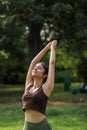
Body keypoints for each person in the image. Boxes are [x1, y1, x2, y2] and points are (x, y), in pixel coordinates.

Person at [22, 40, 58, 130]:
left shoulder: (46, 88)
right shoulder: (28, 86)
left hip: (42, 127)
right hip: (27, 126)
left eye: (39, 68)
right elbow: (33, 62)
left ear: (45, 75)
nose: (35, 69)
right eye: (35, 68)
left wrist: (53, 49)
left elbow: (52, 64)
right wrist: (46, 48)